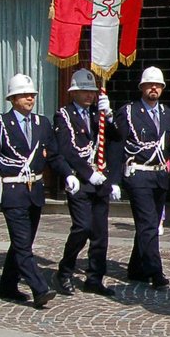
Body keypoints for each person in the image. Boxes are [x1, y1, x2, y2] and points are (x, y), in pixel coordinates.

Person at [0, 73, 77, 309]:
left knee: (23, 242)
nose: (30, 98)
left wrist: (68, 174)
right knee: (22, 244)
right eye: (24, 95)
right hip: (12, 190)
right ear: (12, 98)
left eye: (32, 95)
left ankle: (7, 286)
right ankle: (40, 289)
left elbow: (54, 155)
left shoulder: (42, 124)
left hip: (34, 191)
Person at [115, 66, 170, 289]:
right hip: (139, 174)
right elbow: (117, 145)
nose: (154, 88)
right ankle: (156, 271)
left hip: (160, 175)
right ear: (142, 87)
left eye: (158, 85)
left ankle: (135, 268)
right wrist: (112, 179)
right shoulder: (129, 112)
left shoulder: (168, 114)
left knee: (149, 224)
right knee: (147, 225)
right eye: (150, 84)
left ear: (162, 89)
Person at [52, 69, 121, 297]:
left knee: (100, 234)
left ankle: (95, 278)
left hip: (100, 181)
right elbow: (66, 149)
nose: (90, 96)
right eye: (85, 91)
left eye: (92, 92)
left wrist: (109, 116)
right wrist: (87, 173)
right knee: (82, 228)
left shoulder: (97, 114)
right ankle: (65, 270)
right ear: (74, 92)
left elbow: (116, 139)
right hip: (80, 181)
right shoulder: (64, 115)